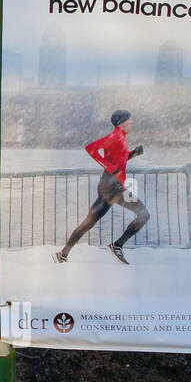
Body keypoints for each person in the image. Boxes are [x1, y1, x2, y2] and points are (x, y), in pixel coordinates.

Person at [54, 109, 149, 265]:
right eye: (130, 120)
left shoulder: (122, 137)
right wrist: (110, 168)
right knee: (144, 214)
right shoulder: (115, 136)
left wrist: (134, 154)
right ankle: (117, 246)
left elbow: (119, 160)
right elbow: (90, 148)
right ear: (123, 122)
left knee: (89, 222)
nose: (132, 122)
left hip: (109, 185)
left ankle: (63, 254)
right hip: (113, 187)